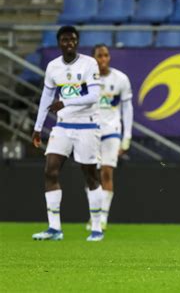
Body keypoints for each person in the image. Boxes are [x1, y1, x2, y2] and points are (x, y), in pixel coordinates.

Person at [31, 25, 104, 242]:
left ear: (77, 42)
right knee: (50, 171)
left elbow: (94, 96)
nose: (69, 43)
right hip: (62, 126)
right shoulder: (53, 67)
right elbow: (46, 98)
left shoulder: (89, 63)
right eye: (65, 40)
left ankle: (97, 228)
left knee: (90, 176)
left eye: (72, 40)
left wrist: (65, 101)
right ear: (59, 43)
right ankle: (55, 228)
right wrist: (37, 127)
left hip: (87, 126)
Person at [86, 44, 133, 231]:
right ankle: (94, 216)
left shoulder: (120, 79)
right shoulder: (86, 80)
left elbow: (127, 109)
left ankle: (103, 218)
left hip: (112, 130)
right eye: (99, 55)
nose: (103, 59)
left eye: (106, 55)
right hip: (90, 131)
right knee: (91, 175)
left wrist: (126, 137)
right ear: (93, 58)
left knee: (106, 172)